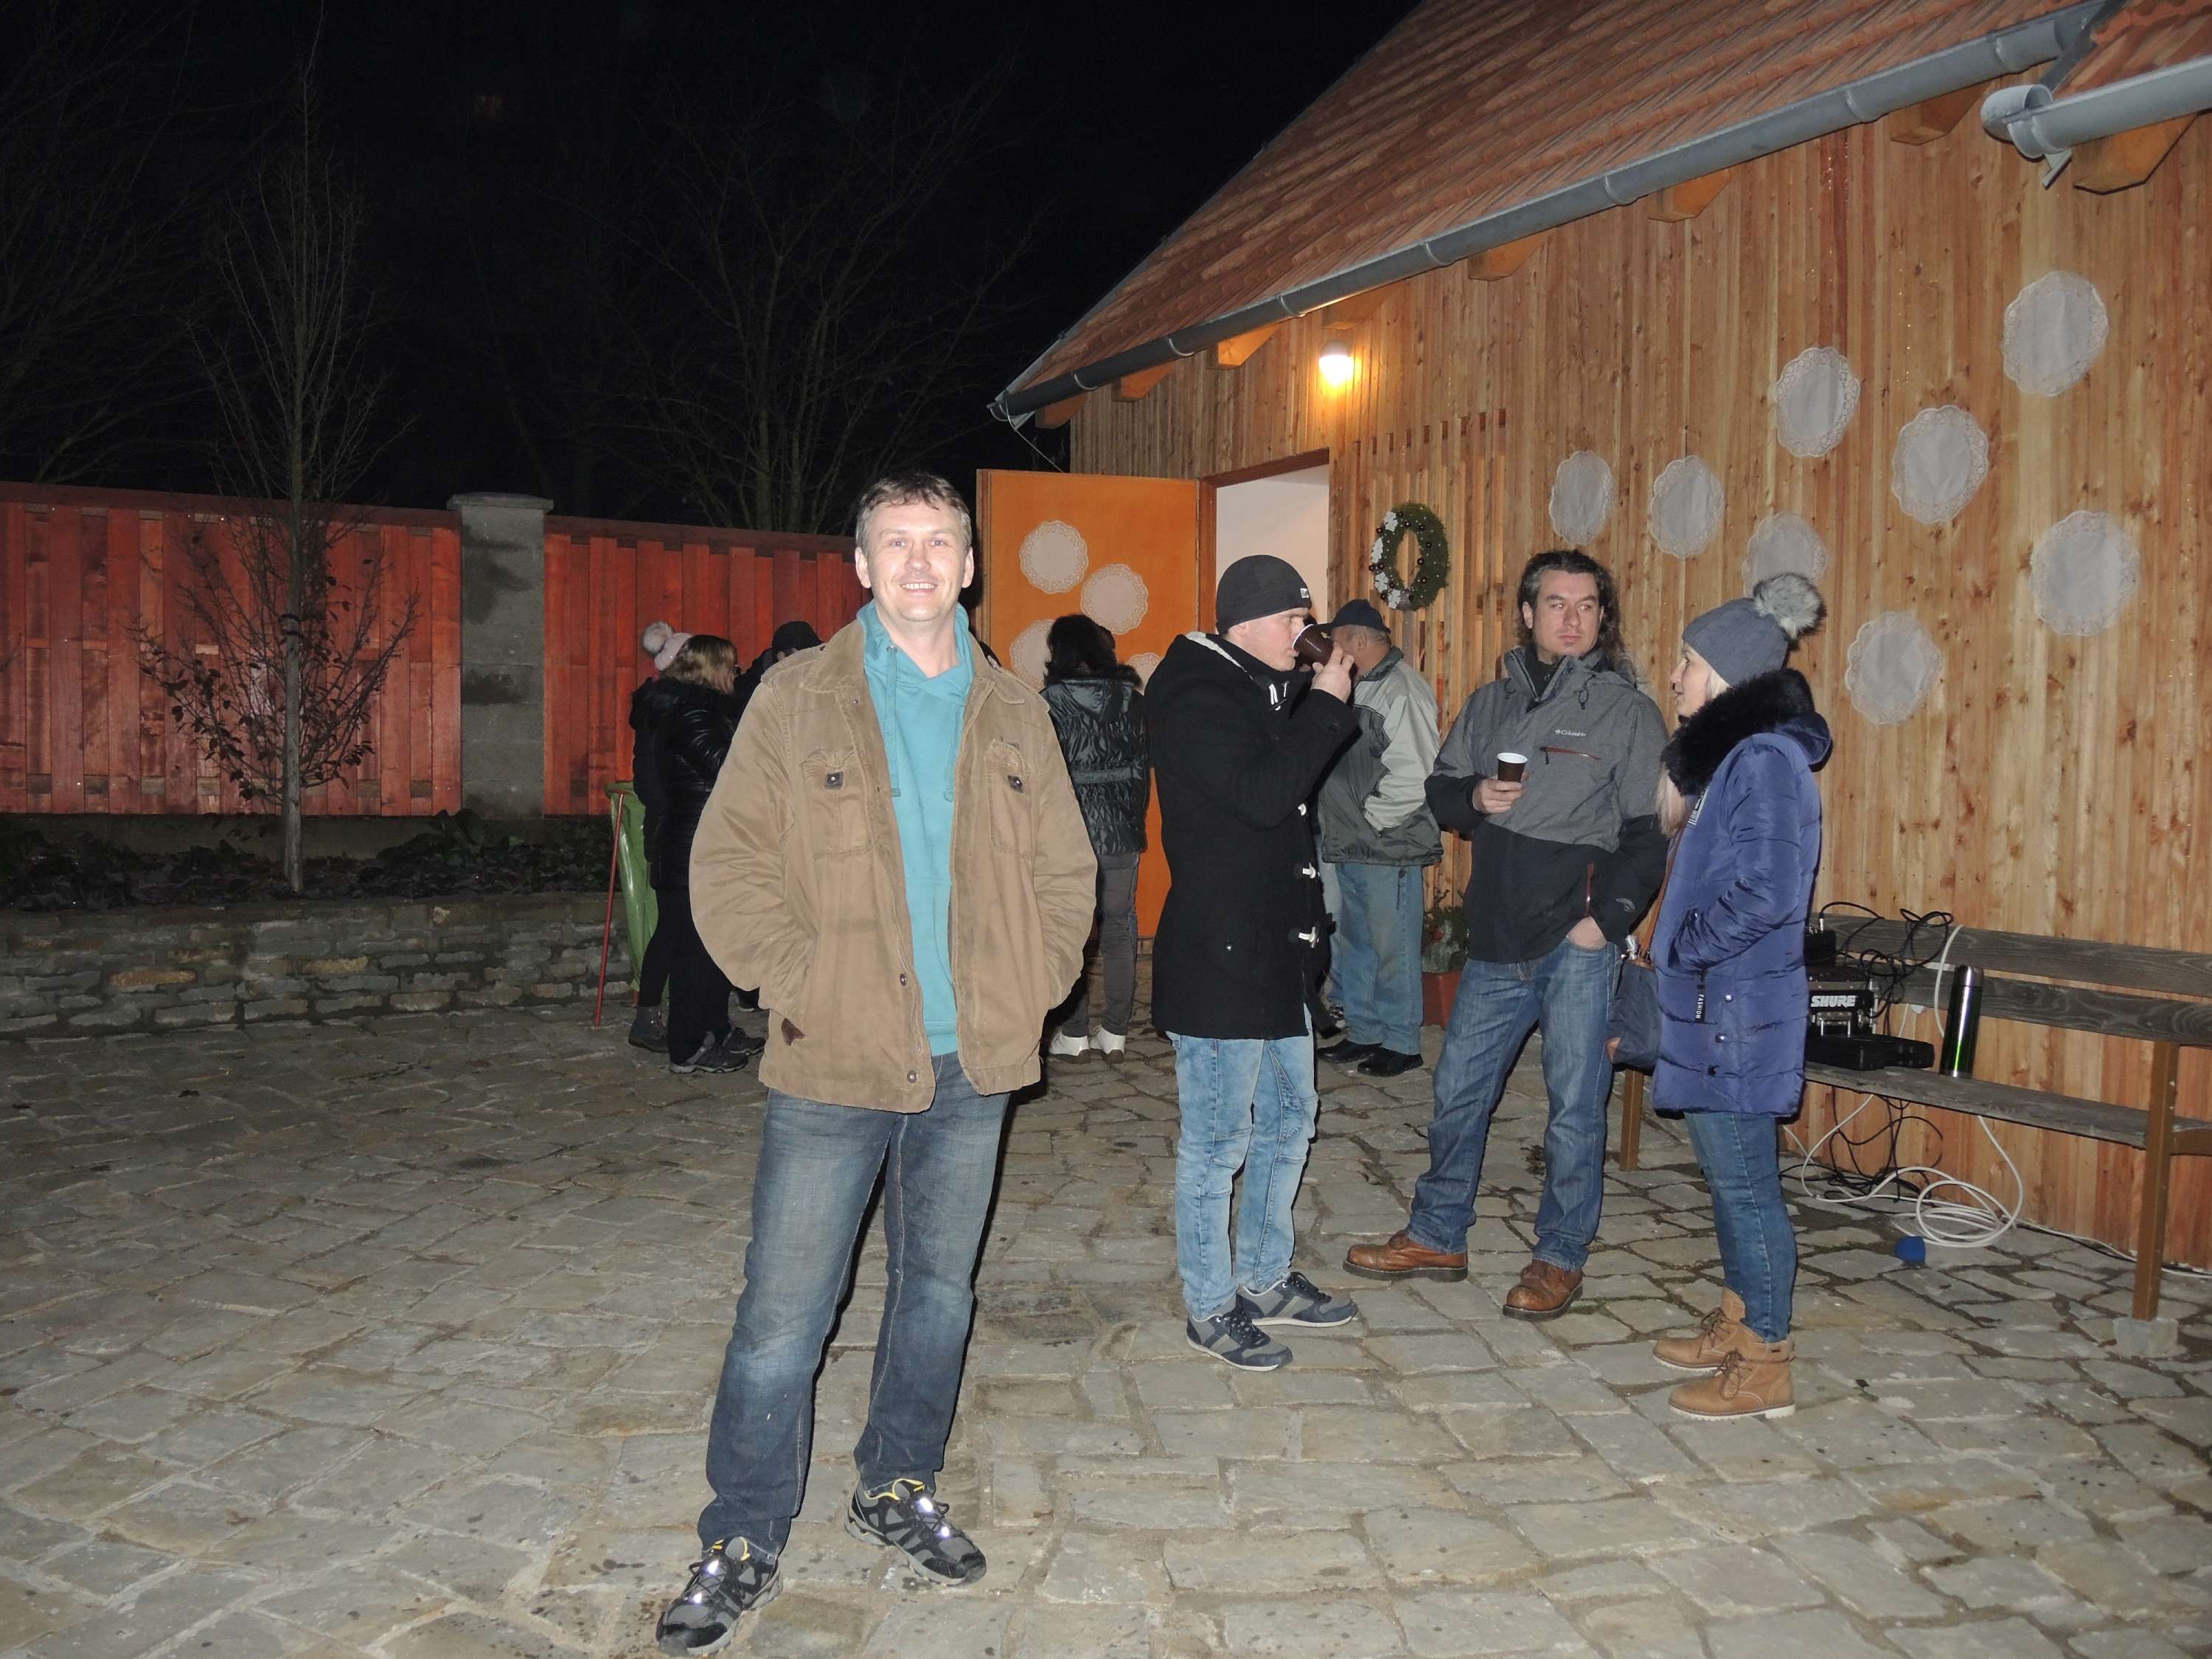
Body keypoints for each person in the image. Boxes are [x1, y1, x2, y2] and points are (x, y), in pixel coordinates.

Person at [658, 470, 1094, 1654]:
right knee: (782, 1316)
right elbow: (727, 863)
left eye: (938, 541)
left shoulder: (1014, 710)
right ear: (859, 565)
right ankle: (743, 1530)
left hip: (972, 1065)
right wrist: (796, 979)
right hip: (833, 1059)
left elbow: (1067, 873)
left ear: (969, 566)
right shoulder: (798, 696)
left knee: (937, 1296)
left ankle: (897, 1480)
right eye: (893, 541)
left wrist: (1032, 985)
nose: (916, 561)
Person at [1346, 550, 1666, 1319]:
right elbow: (1441, 791)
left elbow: (1649, 833)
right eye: (1556, 603)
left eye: (1586, 606)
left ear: (1602, 617)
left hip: (1574, 940)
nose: (1572, 619)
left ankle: (1560, 1256)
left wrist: (1604, 923)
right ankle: (1438, 1233)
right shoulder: (1491, 703)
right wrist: (1475, 798)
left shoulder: (1627, 712)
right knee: (1458, 1091)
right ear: (1527, 613)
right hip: (1495, 937)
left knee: (1574, 1110)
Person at [1147, 554, 1363, 1371]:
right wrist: (1326, 704)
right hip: (1222, 959)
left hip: (1277, 954)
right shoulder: (1195, 695)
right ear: (1244, 624)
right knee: (1217, 1142)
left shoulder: (1261, 687)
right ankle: (1210, 1305)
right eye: (1293, 620)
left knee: (1289, 1118)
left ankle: (1265, 1278)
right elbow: (1265, 794)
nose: (1307, 634)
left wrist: (1315, 699)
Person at [1646, 574, 1827, 1420]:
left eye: (1687, 660)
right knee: (1730, 1182)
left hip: (1736, 1014)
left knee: (1748, 1187)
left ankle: (1766, 1362)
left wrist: (1682, 948)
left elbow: (1768, 892)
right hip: (1719, 1010)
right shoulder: (1738, 759)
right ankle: (1741, 1318)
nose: (1674, 675)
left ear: (1724, 673)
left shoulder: (1763, 760)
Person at [1313, 598, 1441, 1078]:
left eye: (1336, 639)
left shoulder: (1401, 689)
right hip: (1353, 841)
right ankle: (1365, 1032)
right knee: (1357, 945)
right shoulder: (1361, 686)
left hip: (1389, 844)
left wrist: (1370, 819)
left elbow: (1417, 773)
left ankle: (1402, 1042)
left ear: (1360, 640)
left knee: (1393, 948)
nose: (1330, 648)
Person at [631, 633, 763, 1077]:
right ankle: (688, 1047)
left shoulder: (701, 711)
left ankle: (713, 1030)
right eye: (731, 667)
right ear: (713, 669)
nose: (736, 675)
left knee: (713, 949)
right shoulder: (692, 715)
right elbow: (730, 769)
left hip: (704, 844)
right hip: (694, 848)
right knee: (693, 953)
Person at [1040, 614, 1149, 1060]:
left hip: (1069, 835)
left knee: (1071, 932)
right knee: (1120, 928)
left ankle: (1075, 1033)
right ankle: (1116, 1031)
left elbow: (1042, 778)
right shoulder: (1132, 700)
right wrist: (1131, 819)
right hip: (1122, 830)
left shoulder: (1048, 702)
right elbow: (1143, 771)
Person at [625, 621, 692, 1052]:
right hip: (674, 831)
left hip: (674, 828)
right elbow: (652, 784)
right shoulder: (665, 714)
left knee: (677, 927)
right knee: (674, 927)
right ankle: (649, 1016)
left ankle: (663, 1014)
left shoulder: (663, 710)